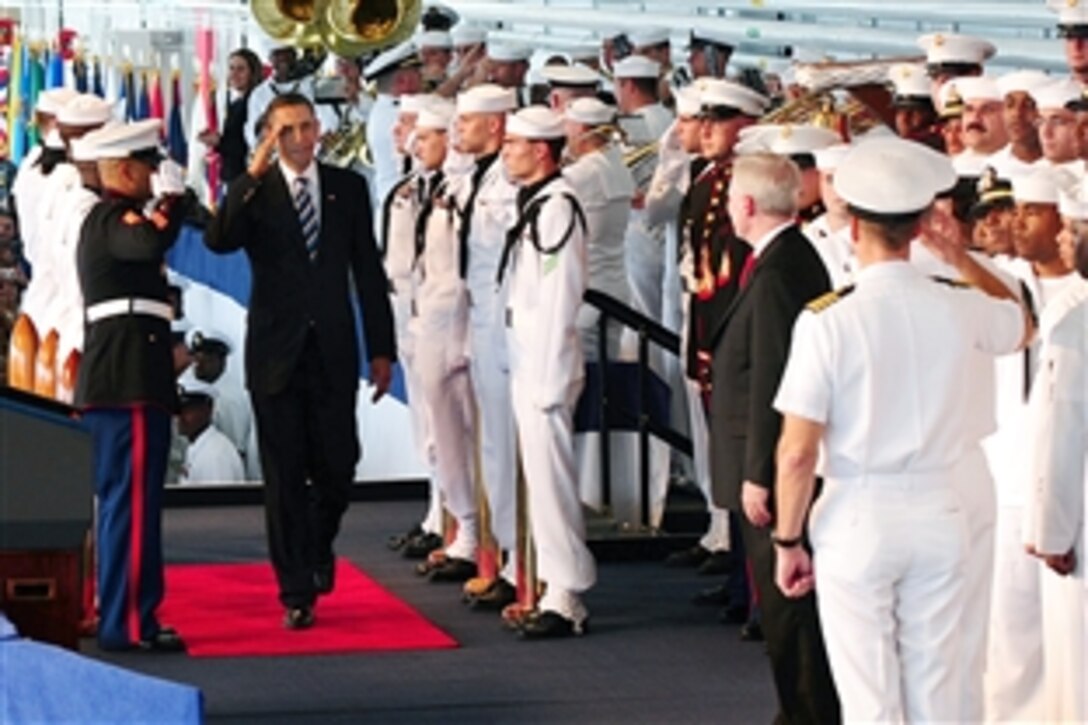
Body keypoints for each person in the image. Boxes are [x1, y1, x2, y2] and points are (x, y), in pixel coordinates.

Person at [773, 136, 1031, 722]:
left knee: (870, 694)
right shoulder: (959, 302)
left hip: (859, 511)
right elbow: (1019, 327)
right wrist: (962, 257)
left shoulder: (828, 320)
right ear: (920, 227)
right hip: (942, 507)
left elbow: (796, 452)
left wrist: (788, 540)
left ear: (855, 227)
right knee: (940, 685)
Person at [206, 92, 396, 630]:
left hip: (333, 350)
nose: (299, 138)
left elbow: (367, 273)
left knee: (339, 464)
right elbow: (218, 239)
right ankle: (296, 588)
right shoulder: (256, 194)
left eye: (307, 126)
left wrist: (381, 349)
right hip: (275, 353)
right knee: (285, 474)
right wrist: (249, 173)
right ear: (269, 135)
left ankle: (317, 545)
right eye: (286, 129)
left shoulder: (348, 188)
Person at [709, 152, 840, 723]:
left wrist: (760, 474)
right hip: (761, 461)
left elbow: (774, 381)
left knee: (789, 608)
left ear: (745, 204)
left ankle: (804, 712)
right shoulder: (780, 259)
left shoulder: (782, 269)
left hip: (766, 469)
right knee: (783, 605)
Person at [76, 118, 199, 653]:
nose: (154, 177)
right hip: (125, 376)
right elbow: (145, 242)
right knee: (130, 503)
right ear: (124, 169)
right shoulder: (108, 217)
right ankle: (126, 621)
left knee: (132, 502)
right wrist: (170, 204)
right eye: (148, 168)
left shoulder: (110, 217)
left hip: (129, 374)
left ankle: (130, 612)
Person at [499, 106, 594, 639]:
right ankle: (550, 583)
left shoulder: (557, 208)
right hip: (528, 359)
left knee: (553, 483)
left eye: (515, 144)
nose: (507, 151)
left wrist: (549, 378)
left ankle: (567, 593)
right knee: (540, 480)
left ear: (541, 152)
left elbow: (559, 298)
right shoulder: (537, 202)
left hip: (545, 366)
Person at [453, 84, 521, 609]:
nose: (460, 131)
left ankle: (519, 564)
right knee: (491, 449)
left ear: (496, 125)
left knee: (506, 450)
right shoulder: (477, 175)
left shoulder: (510, 179)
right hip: (481, 317)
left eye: (468, 121)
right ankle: (501, 557)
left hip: (504, 322)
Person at [1023, 179, 1088, 722]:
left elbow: (1062, 433)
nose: (1065, 241)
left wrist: (1050, 532)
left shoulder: (1075, 321)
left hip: (1083, 525)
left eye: (1074, 230)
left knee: (1077, 669)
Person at [188, 47, 263, 194]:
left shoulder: (256, 103)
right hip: (227, 177)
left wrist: (219, 142)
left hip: (245, 177)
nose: (234, 74)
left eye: (241, 69)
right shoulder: (226, 101)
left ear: (252, 73)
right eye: (231, 68)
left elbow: (250, 143)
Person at [185, 327, 251, 457]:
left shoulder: (230, 400)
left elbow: (236, 451)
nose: (198, 365)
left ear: (221, 360)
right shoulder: (190, 380)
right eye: (196, 357)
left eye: (206, 359)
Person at [176, 377, 245, 485]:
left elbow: (218, 500)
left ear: (208, 409)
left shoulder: (216, 456)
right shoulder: (198, 446)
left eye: (187, 410)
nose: (179, 417)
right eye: (177, 410)